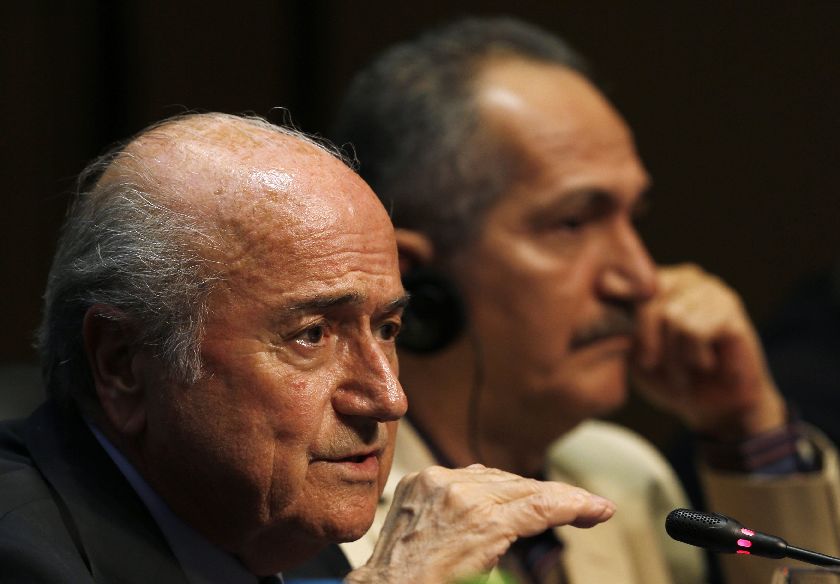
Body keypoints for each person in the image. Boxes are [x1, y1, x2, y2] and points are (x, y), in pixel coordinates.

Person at [288, 17, 840, 584]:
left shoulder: (626, 480)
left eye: (632, 217)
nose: (640, 278)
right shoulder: (320, 527)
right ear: (414, 281)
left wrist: (747, 431)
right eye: (573, 223)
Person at [0, 112, 617, 583]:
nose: (387, 396)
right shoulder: (20, 551)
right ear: (124, 363)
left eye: (387, 329)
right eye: (312, 335)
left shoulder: (293, 546)